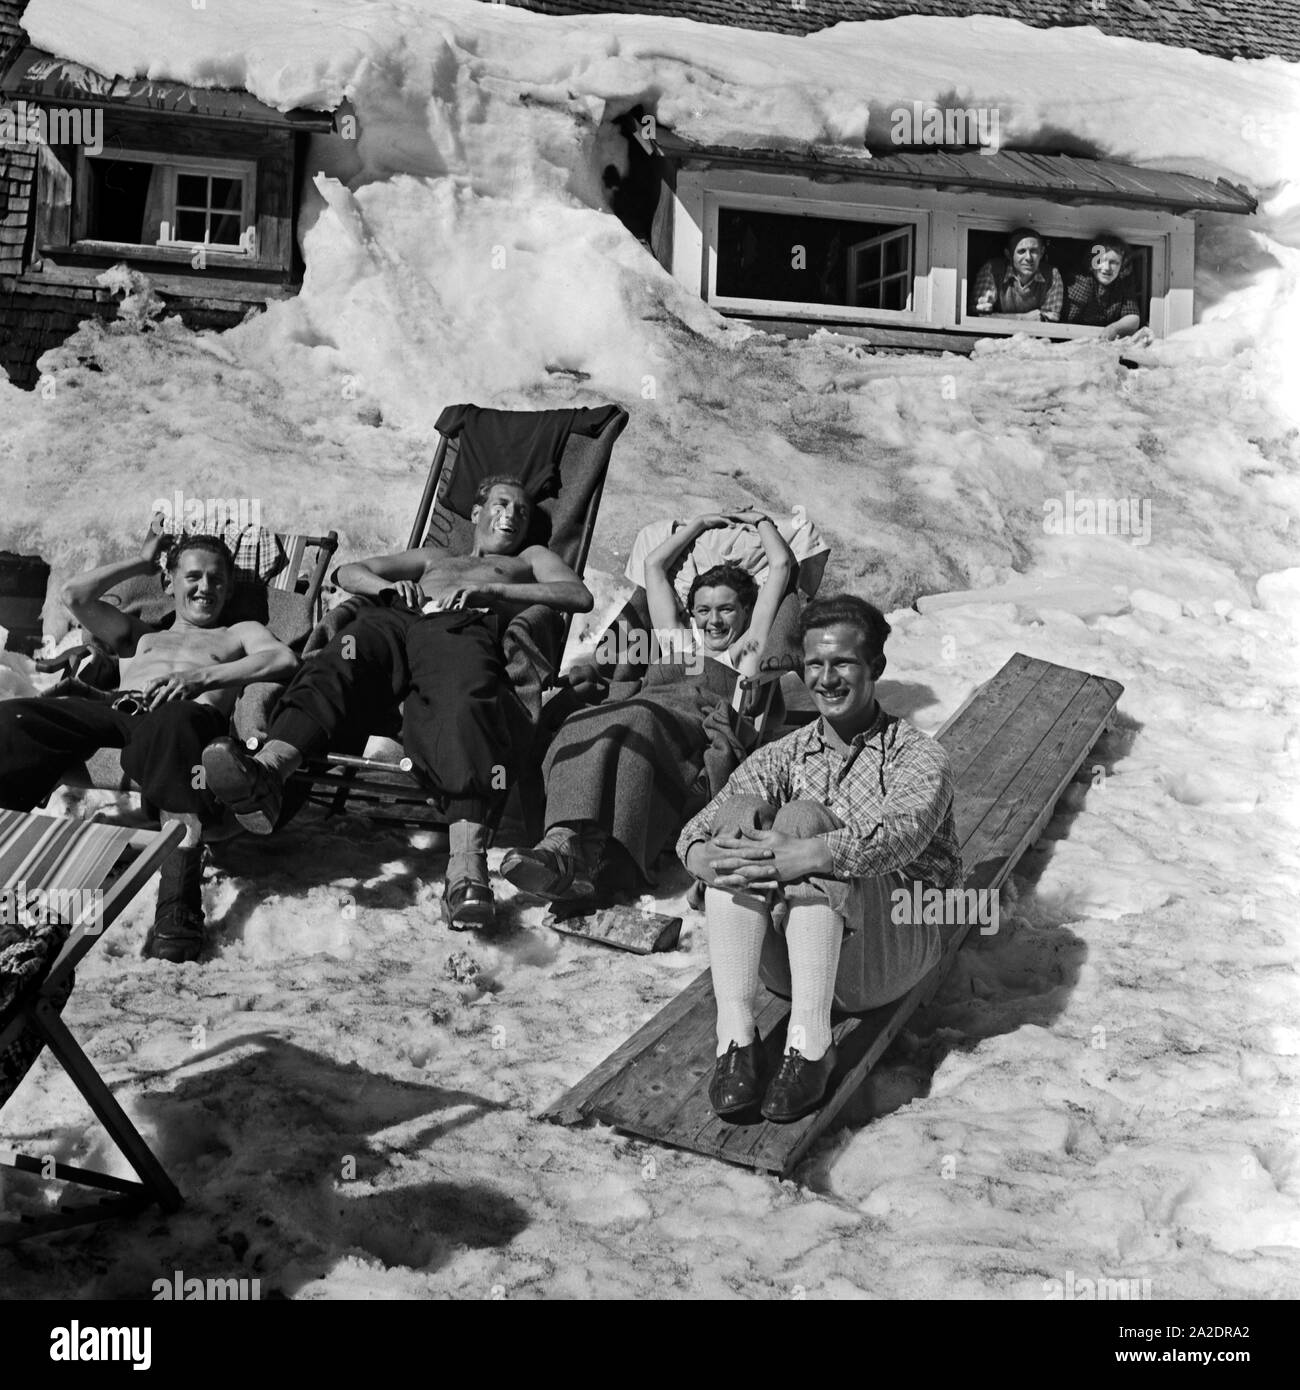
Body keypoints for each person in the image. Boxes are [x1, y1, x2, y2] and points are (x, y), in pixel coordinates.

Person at [199, 476, 592, 930]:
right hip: (394, 618)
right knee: (344, 653)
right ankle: (268, 773)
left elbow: (577, 595)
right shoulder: (436, 556)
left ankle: (466, 872)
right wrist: (386, 591)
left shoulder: (529, 558)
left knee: (464, 696)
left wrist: (495, 592)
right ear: (476, 512)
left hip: (458, 625)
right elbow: (349, 572)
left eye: (522, 511)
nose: (512, 514)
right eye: (503, 503)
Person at [676, 595, 962, 1123]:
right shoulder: (783, 754)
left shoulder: (917, 755)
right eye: (814, 664)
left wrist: (803, 853)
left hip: (888, 953)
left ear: (874, 667)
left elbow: (898, 839)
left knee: (803, 819)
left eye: (843, 663)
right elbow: (696, 831)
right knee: (740, 809)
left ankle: (810, 1043)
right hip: (790, 964)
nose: (826, 678)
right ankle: (735, 1036)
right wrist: (710, 858)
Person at [0, 530, 298, 963]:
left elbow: (284, 661)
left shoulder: (239, 633)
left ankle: (178, 903)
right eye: (192, 577)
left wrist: (202, 679)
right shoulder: (141, 636)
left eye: (217, 580)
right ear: (169, 584)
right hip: (122, 715)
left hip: (187, 720)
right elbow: (74, 596)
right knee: (14, 719)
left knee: (176, 721)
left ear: (229, 588)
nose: (206, 588)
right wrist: (142, 561)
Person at [501, 510, 796, 902]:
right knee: (583, 721)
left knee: (633, 721)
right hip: (645, 708)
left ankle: (583, 855)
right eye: (704, 610)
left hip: (690, 719)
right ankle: (563, 845)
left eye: (726, 609)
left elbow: (780, 566)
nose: (714, 620)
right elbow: (654, 565)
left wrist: (760, 522)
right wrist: (700, 524)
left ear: (746, 611)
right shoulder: (680, 641)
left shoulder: (746, 651)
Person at [972, 227, 1064, 322]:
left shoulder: (1052, 275)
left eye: (1034, 251)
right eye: (1021, 251)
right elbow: (979, 315)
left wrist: (997, 317)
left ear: (1042, 252)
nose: (1028, 257)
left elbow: (1051, 319)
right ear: (1008, 254)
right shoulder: (993, 270)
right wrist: (1023, 318)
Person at [1064, 234, 1143, 340]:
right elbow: (1067, 323)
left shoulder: (1123, 282)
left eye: (1113, 262)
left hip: (1106, 342)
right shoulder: (1083, 281)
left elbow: (1133, 318)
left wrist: (1114, 328)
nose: (1106, 268)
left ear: (1122, 265)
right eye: (1100, 261)